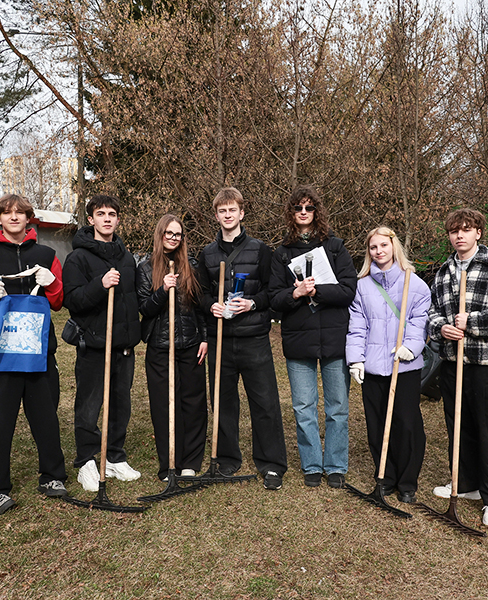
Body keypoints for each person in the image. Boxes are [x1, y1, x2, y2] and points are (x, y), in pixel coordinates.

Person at [0, 194, 68, 515]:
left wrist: (52, 285)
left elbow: (59, 301)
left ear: (28, 218)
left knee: (46, 418)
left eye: (20, 213)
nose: (14, 218)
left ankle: (52, 476)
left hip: (38, 353)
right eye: (7, 214)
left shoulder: (47, 255)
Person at [428, 208, 488, 527]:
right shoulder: (444, 272)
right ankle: (466, 483)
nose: (460, 235)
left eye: (466, 229)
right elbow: (431, 314)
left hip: (487, 363)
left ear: (478, 233)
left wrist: (472, 322)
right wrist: (442, 328)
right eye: (454, 230)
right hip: (453, 362)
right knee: (460, 425)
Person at [197, 187, 288, 490]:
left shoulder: (261, 250)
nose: (227, 215)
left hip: (253, 337)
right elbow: (201, 294)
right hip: (221, 338)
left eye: (232, 210)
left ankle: (272, 464)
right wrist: (211, 304)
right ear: (216, 215)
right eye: (222, 211)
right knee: (223, 401)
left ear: (241, 213)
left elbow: (271, 293)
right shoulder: (207, 254)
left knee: (264, 402)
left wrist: (252, 303)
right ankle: (226, 459)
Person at [268, 185, 357, 489]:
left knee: (337, 406)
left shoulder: (335, 247)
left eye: (309, 208)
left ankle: (334, 464)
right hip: (298, 339)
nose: (303, 213)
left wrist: (318, 289)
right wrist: (296, 292)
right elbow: (274, 299)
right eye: (298, 208)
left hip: (333, 337)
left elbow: (348, 291)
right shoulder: (280, 254)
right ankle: (311, 463)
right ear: (291, 214)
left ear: (317, 212)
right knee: (303, 406)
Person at [62, 195, 143, 492]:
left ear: (118, 219)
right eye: (101, 214)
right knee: (89, 405)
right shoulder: (78, 258)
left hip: (123, 345)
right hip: (94, 344)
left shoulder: (126, 256)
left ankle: (115, 456)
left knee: (121, 404)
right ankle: (86, 461)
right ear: (91, 219)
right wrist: (100, 285)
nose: (107, 218)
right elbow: (71, 300)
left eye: (112, 214)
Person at [346, 226, 431, 503]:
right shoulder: (362, 285)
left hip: (404, 366)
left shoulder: (414, 284)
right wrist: (356, 359)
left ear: (394, 247)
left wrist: (411, 347)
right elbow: (357, 326)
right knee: (377, 424)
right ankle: (386, 476)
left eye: (383, 246)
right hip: (374, 368)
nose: (378, 251)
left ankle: (407, 481)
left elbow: (420, 323)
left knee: (406, 425)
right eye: (373, 247)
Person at [137, 214, 209, 481]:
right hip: (160, 345)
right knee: (164, 405)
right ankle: (170, 464)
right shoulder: (145, 268)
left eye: (178, 234)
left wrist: (203, 337)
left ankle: (190, 461)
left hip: (190, 344)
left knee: (193, 403)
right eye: (169, 233)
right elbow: (143, 308)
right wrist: (161, 290)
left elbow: (200, 307)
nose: (173, 238)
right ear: (160, 234)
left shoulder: (191, 266)